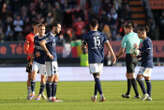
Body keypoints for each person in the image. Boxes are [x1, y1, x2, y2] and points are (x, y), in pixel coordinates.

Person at [82, 19, 116, 102]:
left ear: (90, 26)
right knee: (97, 78)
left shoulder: (87, 35)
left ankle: (102, 95)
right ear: (97, 26)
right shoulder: (102, 35)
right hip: (100, 58)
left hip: (93, 58)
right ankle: (94, 96)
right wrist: (113, 55)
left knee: (96, 77)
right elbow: (108, 45)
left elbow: (83, 46)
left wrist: (85, 47)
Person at [117, 21, 140, 98]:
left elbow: (122, 51)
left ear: (129, 29)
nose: (124, 30)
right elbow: (139, 44)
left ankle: (137, 94)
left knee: (131, 75)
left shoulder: (126, 37)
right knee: (128, 74)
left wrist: (117, 56)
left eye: (125, 29)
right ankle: (127, 93)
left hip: (129, 57)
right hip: (136, 57)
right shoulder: (137, 35)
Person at [40, 23, 61, 102]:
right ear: (54, 27)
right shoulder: (49, 35)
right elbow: (42, 43)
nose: (60, 29)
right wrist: (48, 53)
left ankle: (53, 97)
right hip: (51, 60)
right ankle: (50, 98)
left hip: (54, 60)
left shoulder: (53, 36)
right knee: (51, 77)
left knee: (55, 78)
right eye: (58, 27)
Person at [29, 24, 47, 100]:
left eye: (43, 29)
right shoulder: (35, 37)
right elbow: (35, 48)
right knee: (33, 74)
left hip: (44, 61)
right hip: (36, 60)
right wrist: (33, 55)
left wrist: (41, 53)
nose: (42, 31)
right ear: (38, 30)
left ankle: (40, 94)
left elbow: (49, 50)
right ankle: (33, 92)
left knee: (43, 78)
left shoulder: (47, 38)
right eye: (41, 29)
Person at [136, 25, 153, 101]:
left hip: (147, 63)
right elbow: (144, 51)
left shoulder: (147, 40)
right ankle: (149, 96)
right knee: (147, 79)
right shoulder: (145, 41)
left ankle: (145, 93)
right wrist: (138, 51)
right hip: (147, 62)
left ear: (143, 33)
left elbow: (148, 51)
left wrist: (140, 54)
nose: (138, 35)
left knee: (138, 78)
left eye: (138, 33)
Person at [24, 22, 38, 99]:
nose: (37, 28)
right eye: (36, 27)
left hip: (40, 59)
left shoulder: (41, 36)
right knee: (30, 76)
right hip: (31, 59)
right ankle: (30, 93)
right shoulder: (29, 36)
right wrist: (30, 55)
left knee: (43, 76)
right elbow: (26, 48)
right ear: (33, 27)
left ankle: (41, 94)